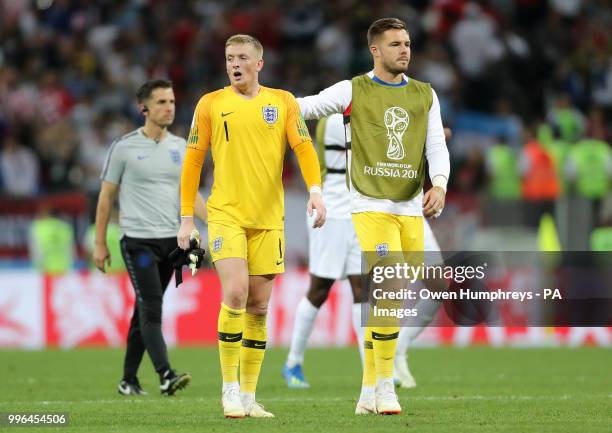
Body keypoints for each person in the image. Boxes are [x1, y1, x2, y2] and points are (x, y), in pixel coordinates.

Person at [297, 18, 450, 415]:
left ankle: (368, 391)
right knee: (391, 287)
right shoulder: (353, 90)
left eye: (408, 43)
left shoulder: (424, 95)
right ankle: (386, 388)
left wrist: (440, 184)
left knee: (393, 301)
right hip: (369, 207)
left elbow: (436, 144)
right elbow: (307, 107)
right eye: (396, 43)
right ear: (375, 50)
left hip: (410, 207)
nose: (405, 50)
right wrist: (262, 101)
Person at [178, 34, 326, 418]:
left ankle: (248, 396)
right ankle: (228, 390)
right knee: (237, 294)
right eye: (229, 58)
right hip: (226, 214)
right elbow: (193, 161)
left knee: (259, 307)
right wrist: (185, 218)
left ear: (259, 63)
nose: (234, 64)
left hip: (268, 220)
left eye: (242, 57)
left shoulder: (282, 102)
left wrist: (315, 191)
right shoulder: (211, 104)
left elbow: (304, 149)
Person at [281, 114, 447, 391]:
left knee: (363, 289)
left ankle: (370, 369)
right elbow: (379, 147)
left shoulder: (369, 117)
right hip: (331, 211)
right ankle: (293, 362)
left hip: (361, 211)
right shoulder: (333, 122)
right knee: (320, 289)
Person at [94, 79, 207, 396]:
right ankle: (166, 375)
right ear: (143, 108)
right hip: (138, 241)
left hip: (173, 243)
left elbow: (191, 194)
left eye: (171, 101)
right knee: (152, 305)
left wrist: (215, 220)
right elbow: (106, 198)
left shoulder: (180, 147)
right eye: (161, 102)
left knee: (144, 310)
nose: (169, 107)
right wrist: (99, 243)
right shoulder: (124, 147)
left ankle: (128, 380)